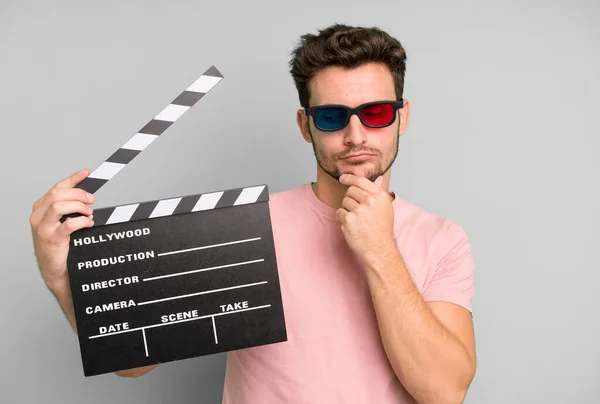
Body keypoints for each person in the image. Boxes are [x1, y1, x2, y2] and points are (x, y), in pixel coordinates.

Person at [30, 23, 476, 404]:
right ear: (306, 126)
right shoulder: (245, 228)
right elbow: (134, 364)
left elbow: (444, 391)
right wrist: (60, 278)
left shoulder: (442, 239)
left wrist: (380, 251)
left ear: (403, 117)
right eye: (332, 117)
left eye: (376, 113)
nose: (355, 135)